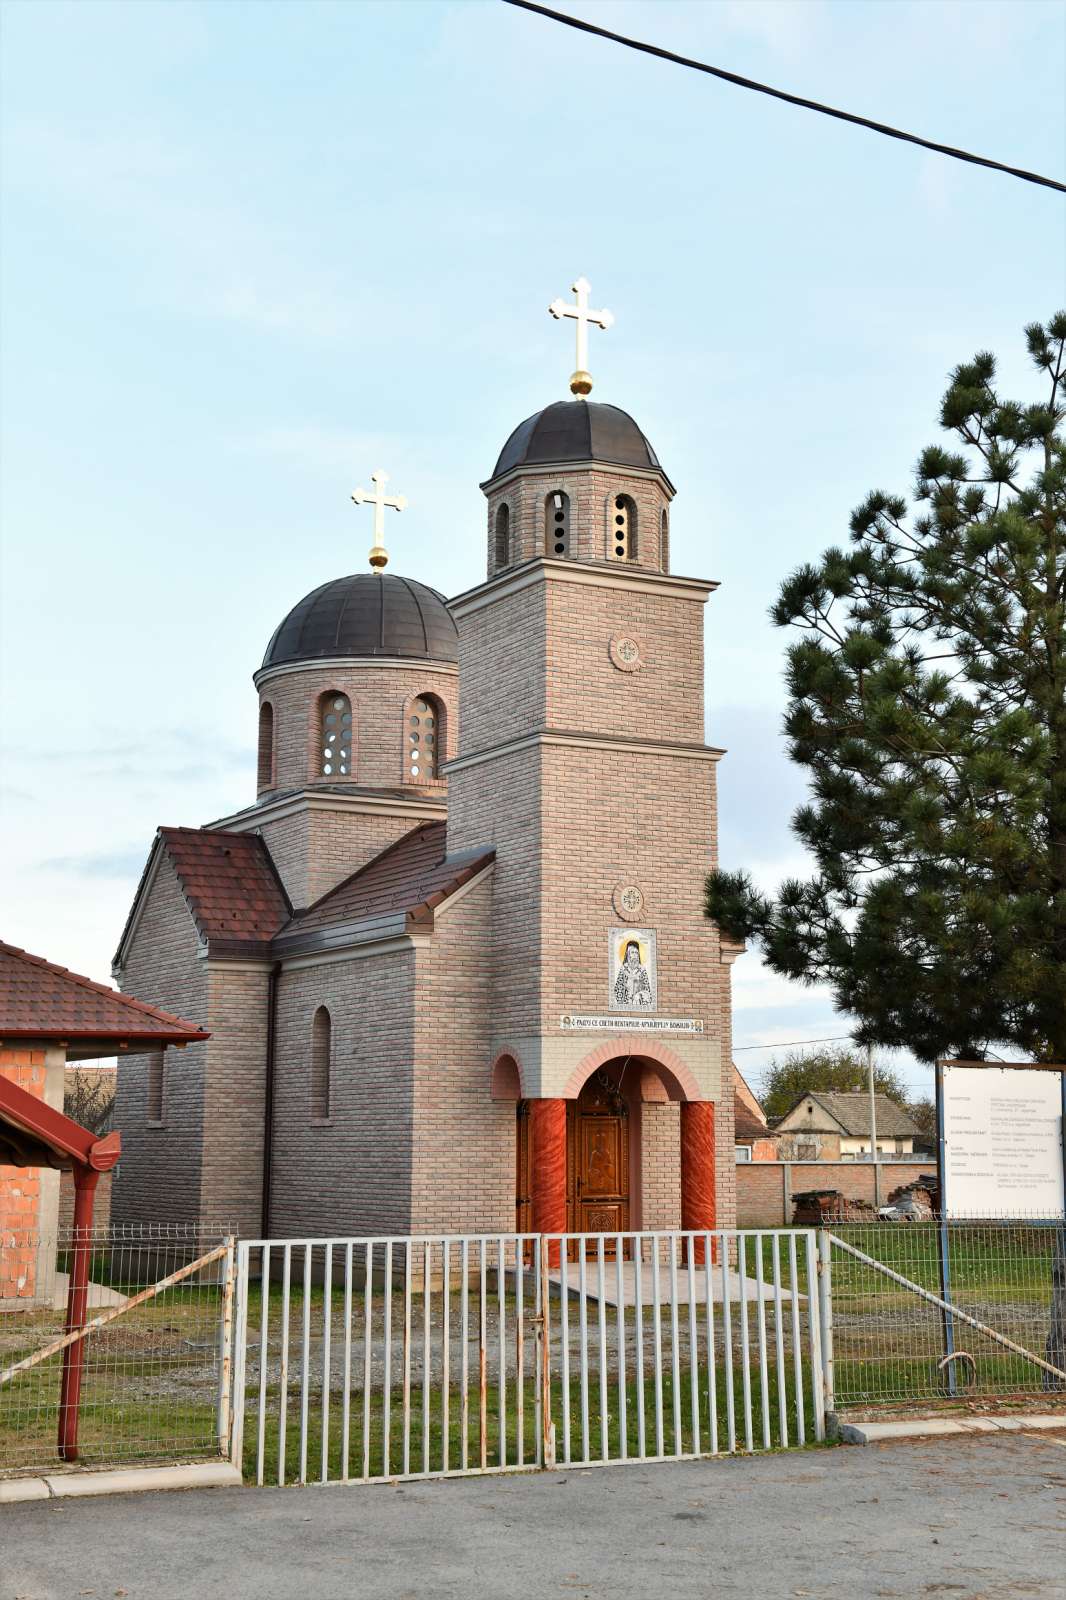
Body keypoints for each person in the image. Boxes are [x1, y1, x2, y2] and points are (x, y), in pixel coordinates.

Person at [613, 939, 653, 1009]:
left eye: (636, 952)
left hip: (638, 1005)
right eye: (632, 952)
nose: (635, 955)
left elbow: (647, 991)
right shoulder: (623, 969)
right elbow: (617, 990)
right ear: (627, 954)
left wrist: (639, 995)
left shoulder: (642, 970)